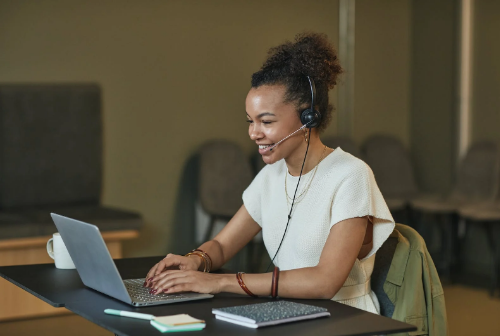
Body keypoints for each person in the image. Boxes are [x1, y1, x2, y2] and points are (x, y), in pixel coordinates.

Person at [144, 32, 395, 314]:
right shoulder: (271, 176)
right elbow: (222, 245)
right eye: (251, 121)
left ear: (308, 117)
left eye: (266, 121)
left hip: (344, 318)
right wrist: (195, 261)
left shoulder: (351, 175)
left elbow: (325, 283)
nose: (253, 133)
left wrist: (219, 283)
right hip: (288, 313)